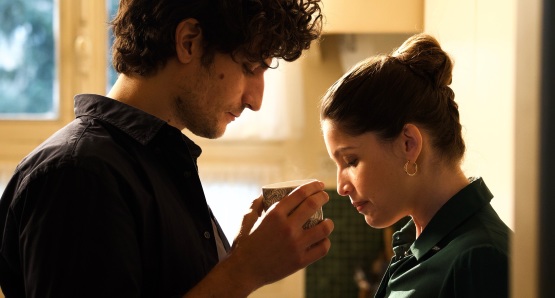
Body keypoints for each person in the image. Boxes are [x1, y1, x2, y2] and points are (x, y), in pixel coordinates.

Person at [0, 0, 334, 297]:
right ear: (189, 41)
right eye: (250, 67)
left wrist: (238, 262)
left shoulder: (157, 162)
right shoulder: (79, 174)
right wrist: (244, 272)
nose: (256, 100)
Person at [320, 33, 511, 297]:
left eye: (351, 161)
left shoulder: (480, 259)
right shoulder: (414, 244)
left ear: (408, 144)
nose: (341, 186)